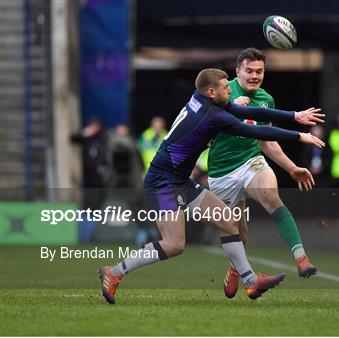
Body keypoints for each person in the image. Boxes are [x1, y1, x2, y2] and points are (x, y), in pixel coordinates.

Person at [98, 68, 325, 304]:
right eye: (226, 87)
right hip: (161, 184)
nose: (230, 90)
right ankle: (114, 272)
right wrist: (299, 136)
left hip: (179, 181)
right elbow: (254, 129)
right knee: (174, 244)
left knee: (228, 221)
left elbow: (247, 111)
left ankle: (250, 280)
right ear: (211, 91)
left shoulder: (202, 99)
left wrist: (293, 116)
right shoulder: (211, 116)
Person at [207, 48, 320, 299]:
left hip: (250, 162)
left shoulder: (265, 99)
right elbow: (206, 126)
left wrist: (292, 168)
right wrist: (230, 107)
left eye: (259, 71)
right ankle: (236, 267)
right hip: (221, 172)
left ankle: (301, 258)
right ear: (237, 72)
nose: (254, 75)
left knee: (270, 195)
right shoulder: (221, 92)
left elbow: (267, 140)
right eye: (249, 70)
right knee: (239, 234)